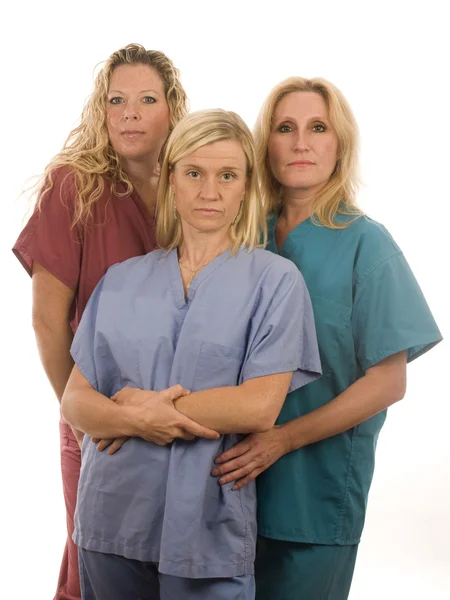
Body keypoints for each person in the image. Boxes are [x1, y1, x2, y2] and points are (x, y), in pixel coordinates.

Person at [60, 108, 322, 600]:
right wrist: (139, 419)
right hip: (112, 515)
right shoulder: (122, 280)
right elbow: (75, 403)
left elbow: (257, 406)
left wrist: (136, 412)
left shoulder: (275, 281)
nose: (210, 191)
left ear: (247, 186)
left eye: (227, 175)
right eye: (194, 174)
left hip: (207, 525)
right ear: (171, 181)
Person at [211, 77, 443, 600]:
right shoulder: (245, 238)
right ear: (263, 143)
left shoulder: (367, 243)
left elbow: (387, 382)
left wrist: (283, 440)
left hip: (316, 493)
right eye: (285, 128)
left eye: (318, 128)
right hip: (230, 486)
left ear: (340, 144)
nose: (300, 142)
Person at [12, 43, 188, 600]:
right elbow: (46, 322)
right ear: (102, 110)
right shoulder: (74, 186)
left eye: (146, 99)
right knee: (92, 560)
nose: (130, 112)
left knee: (175, 566)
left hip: (181, 410)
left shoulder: (196, 186)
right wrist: (86, 419)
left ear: (172, 109)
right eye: (117, 100)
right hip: (100, 415)